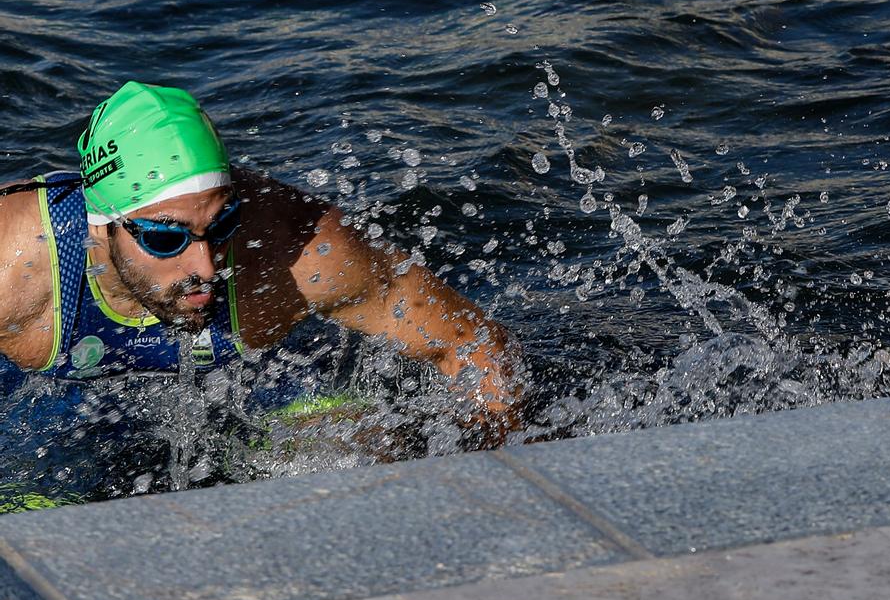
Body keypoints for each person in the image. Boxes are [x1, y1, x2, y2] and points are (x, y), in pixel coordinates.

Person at [0, 81, 522, 444]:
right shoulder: (11, 263)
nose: (205, 266)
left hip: (255, 394)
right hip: (54, 412)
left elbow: (475, 347)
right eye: (165, 239)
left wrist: (484, 471)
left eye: (222, 225)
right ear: (101, 221)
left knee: (364, 452)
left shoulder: (290, 245)